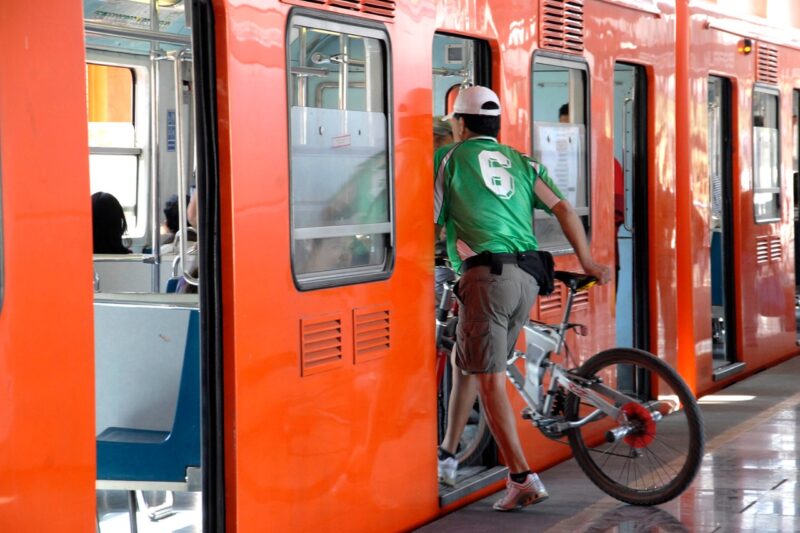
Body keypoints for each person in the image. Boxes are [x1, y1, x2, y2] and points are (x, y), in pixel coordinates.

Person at [434, 86, 610, 511]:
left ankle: (521, 477)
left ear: (460, 123)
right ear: (495, 125)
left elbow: (432, 220)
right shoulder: (524, 162)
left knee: (489, 376)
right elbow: (563, 209)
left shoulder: (450, 158)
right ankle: (449, 453)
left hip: (486, 277)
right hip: (528, 276)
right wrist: (587, 261)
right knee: (466, 361)